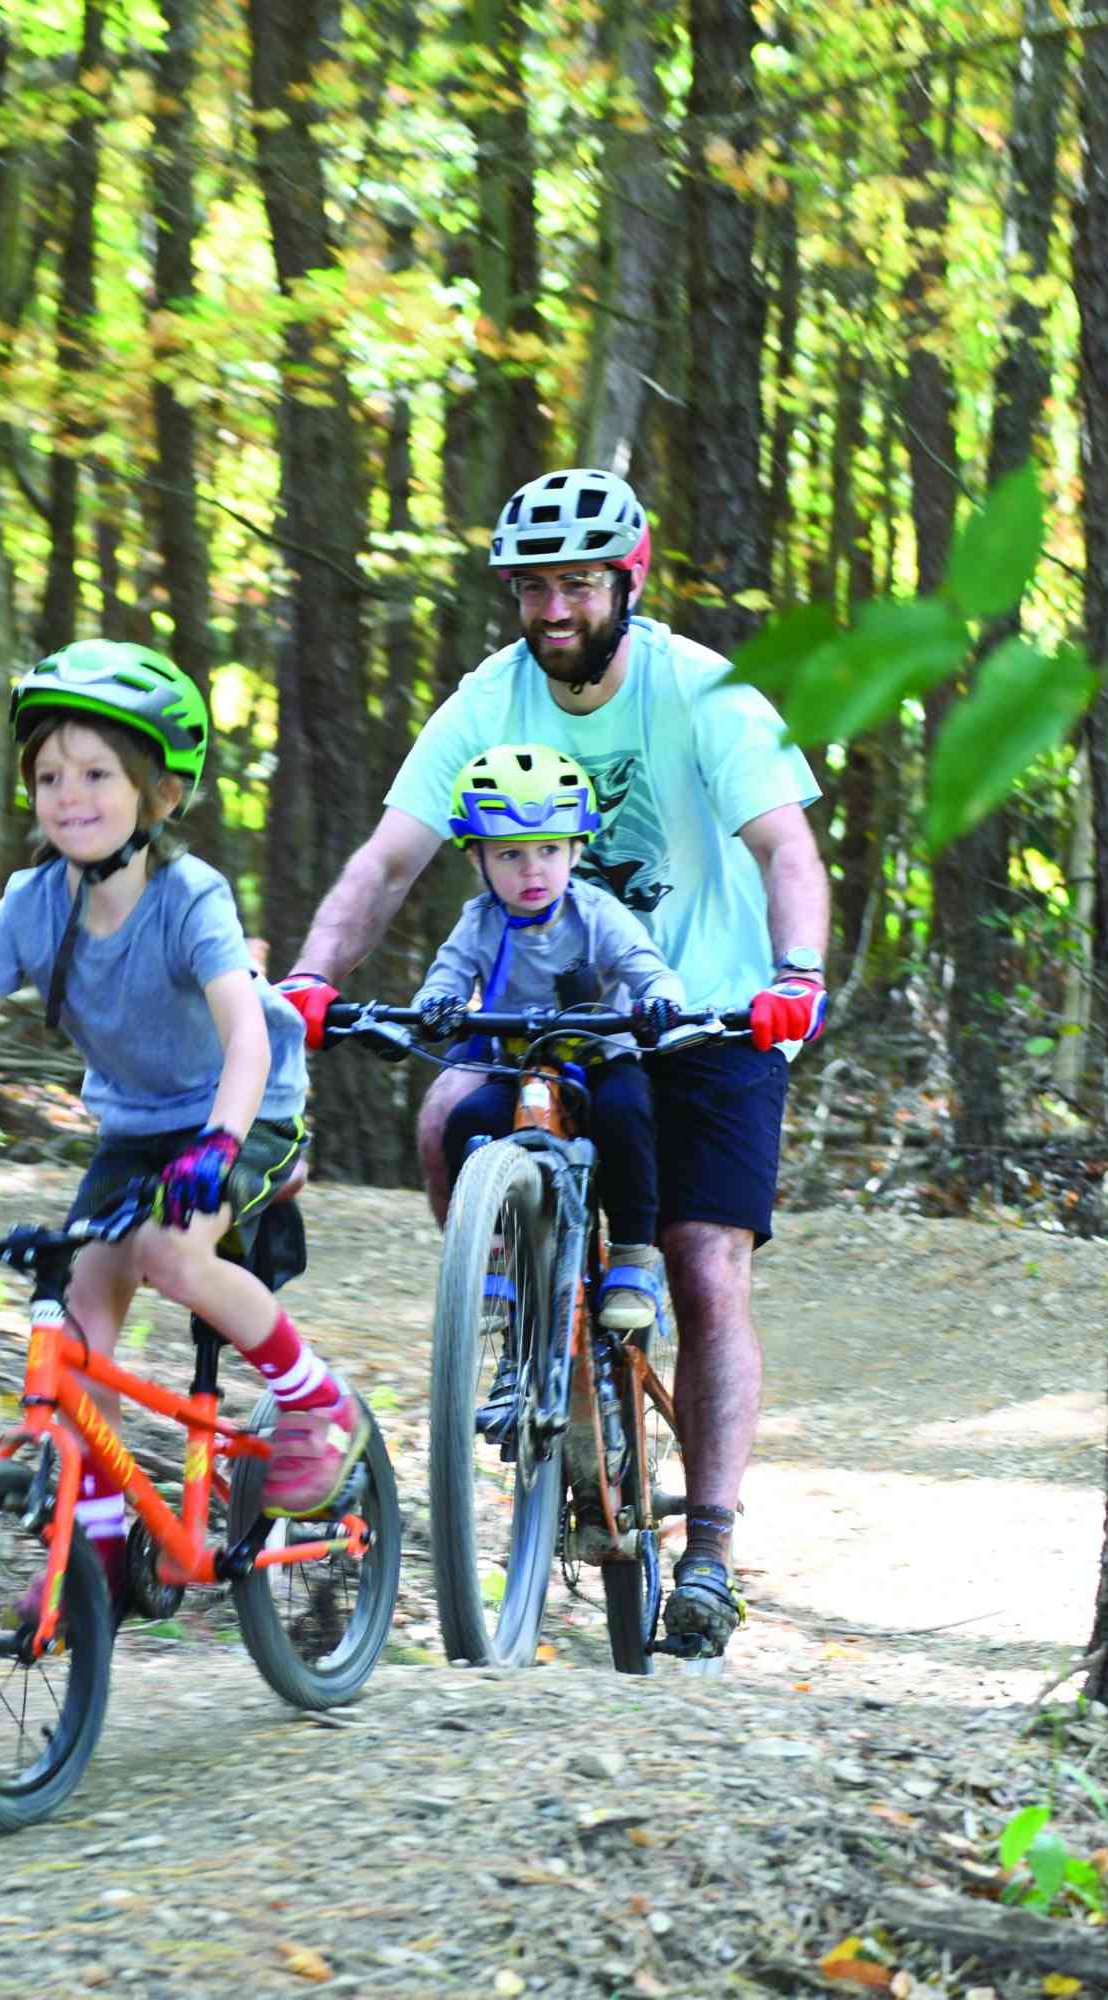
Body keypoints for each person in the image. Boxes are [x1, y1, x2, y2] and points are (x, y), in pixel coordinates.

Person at [277, 467, 829, 1660]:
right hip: (541, 1015)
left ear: (625, 579)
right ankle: (526, 1321)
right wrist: (314, 976)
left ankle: (711, 1551)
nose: (552, 607)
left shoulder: (702, 692)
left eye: (576, 582)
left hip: (706, 1014)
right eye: (532, 586)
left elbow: (786, 846)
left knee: (698, 1261)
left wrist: (794, 978)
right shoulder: (489, 697)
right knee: (441, 1121)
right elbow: (384, 862)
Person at [0, 639, 370, 1618]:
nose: (66, 794)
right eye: (47, 774)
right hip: (133, 1127)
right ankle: (112, 1550)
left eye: (94, 773)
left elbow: (245, 1037)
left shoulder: (188, 897)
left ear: (156, 794)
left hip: (243, 1111)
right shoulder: (31, 906)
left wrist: (215, 1144)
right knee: (77, 1320)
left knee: (170, 1250)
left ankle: (313, 1397)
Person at [412, 741, 688, 1335]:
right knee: (467, 1123)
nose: (531, 870)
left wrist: (661, 999)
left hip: (601, 1060)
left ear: (576, 850)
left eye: (548, 851)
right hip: (520, 1067)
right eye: (510, 854)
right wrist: (437, 1005)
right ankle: (498, 1256)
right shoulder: (479, 920)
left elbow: (647, 966)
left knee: (627, 1113)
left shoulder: (597, 913)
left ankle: (636, 1256)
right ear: (478, 859)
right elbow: (448, 975)